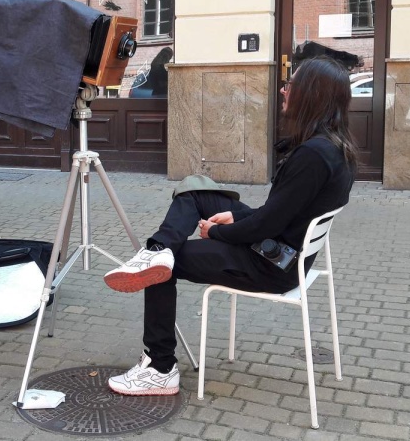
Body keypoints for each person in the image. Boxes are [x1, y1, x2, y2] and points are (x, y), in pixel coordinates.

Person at [102, 56, 358, 396]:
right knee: (196, 191)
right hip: (280, 250)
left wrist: (218, 232)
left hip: (271, 264)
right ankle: (159, 249)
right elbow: (280, 214)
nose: (284, 90)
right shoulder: (335, 148)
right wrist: (236, 216)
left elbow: (266, 224)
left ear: (310, 94)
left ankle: (160, 368)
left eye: (290, 84)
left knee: (161, 271)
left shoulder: (314, 155)